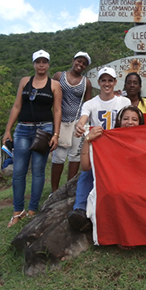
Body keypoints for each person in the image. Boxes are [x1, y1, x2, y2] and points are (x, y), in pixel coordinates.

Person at [3, 49, 62, 228]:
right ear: (34, 64)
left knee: (38, 171)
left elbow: (57, 110)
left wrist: (56, 134)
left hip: (44, 129)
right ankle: (17, 210)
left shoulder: (54, 85)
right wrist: (8, 130)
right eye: (38, 62)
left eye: (44, 62)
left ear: (48, 64)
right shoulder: (24, 82)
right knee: (19, 171)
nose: (41, 65)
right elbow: (16, 106)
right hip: (23, 129)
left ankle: (32, 209)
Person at [67, 67, 131, 231]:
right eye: (104, 80)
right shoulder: (91, 103)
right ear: (99, 83)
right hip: (98, 150)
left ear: (115, 82)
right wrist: (80, 126)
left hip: (119, 149)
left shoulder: (124, 102)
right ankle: (80, 209)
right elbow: (83, 119)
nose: (107, 83)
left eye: (110, 80)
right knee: (87, 173)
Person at [69, 105, 144, 233]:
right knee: (114, 192)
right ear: (119, 122)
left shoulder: (144, 142)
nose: (130, 122)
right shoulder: (109, 140)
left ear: (140, 123)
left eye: (134, 119)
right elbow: (86, 166)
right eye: (126, 118)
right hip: (115, 183)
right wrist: (87, 140)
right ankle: (81, 209)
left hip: (136, 183)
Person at [50, 51, 93, 193]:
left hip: (77, 122)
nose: (80, 65)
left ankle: (69, 189)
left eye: (84, 63)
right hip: (60, 121)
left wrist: (85, 124)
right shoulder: (58, 76)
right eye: (79, 61)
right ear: (73, 60)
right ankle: (54, 191)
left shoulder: (86, 83)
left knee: (75, 155)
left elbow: (88, 103)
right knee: (59, 156)